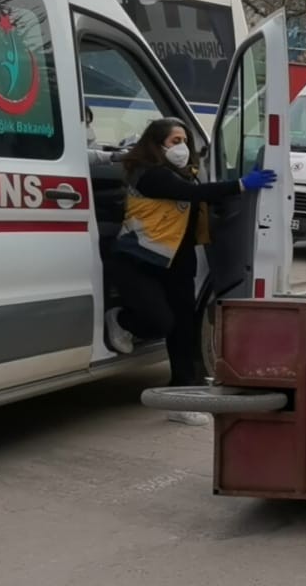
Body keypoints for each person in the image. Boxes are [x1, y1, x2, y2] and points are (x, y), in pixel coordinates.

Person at [104, 118, 278, 426]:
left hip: (178, 261)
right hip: (138, 259)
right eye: (174, 141)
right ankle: (121, 319)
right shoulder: (148, 174)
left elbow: (197, 195)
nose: (182, 147)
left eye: (184, 140)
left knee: (184, 333)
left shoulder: (189, 174)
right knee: (161, 322)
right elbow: (191, 193)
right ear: (156, 145)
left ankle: (182, 399)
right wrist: (240, 185)